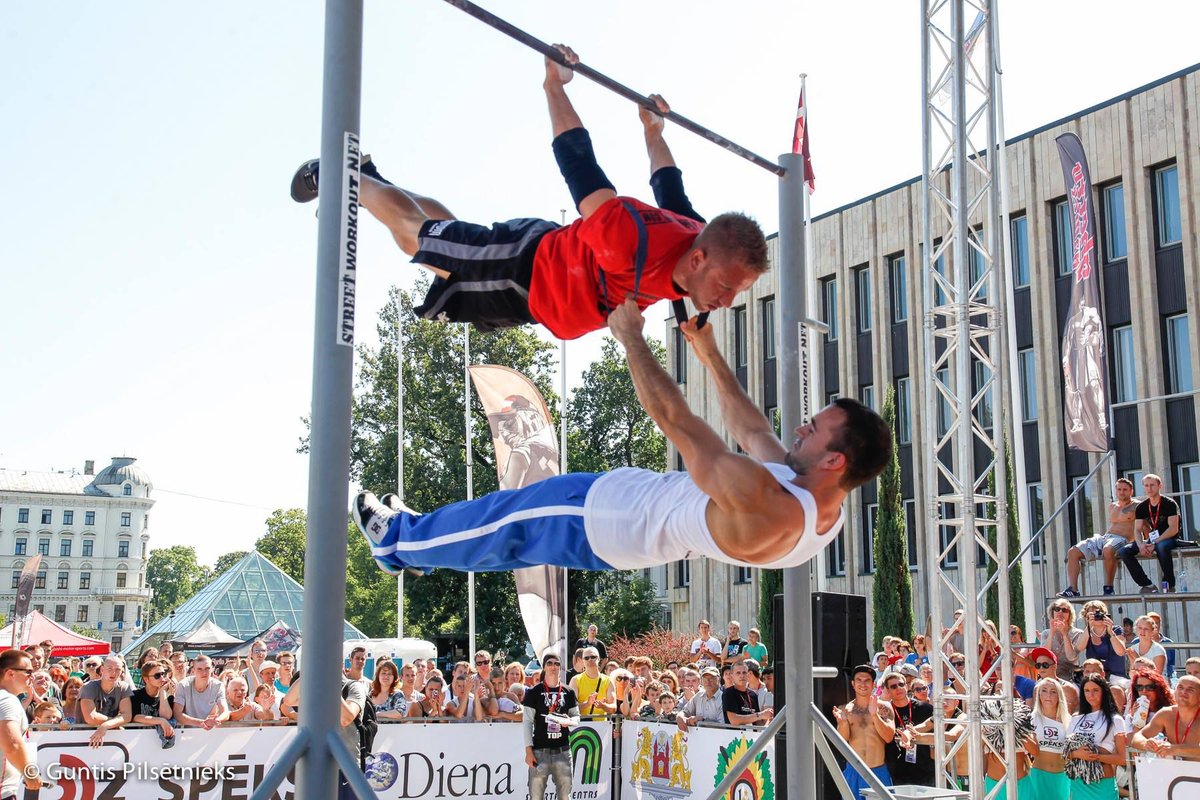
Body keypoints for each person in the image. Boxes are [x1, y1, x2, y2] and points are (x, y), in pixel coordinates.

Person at [354, 302, 891, 577]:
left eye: (814, 428)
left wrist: (629, 335)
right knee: (503, 523)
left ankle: (394, 542)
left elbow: (677, 422)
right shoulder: (823, 502)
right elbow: (753, 430)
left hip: (605, 523)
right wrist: (705, 349)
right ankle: (420, 545)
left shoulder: (769, 506)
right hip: (622, 507)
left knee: (502, 524)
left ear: (835, 459)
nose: (802, 427)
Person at [289, 46, 767, 340]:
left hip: (537, 292)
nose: (725, 301)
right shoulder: (624, 240)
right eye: (726, 288)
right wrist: (553, 85)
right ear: (702, 260)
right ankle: (340, 174)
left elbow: (668, 183)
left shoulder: (694, 231)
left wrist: (652, 131)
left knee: (445, 238)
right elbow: (578, 162)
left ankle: (373, 180)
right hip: (529, 272)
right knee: (423, 242)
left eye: (735, 293)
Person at [1059, 478, 1137, 597]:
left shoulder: (1137, 506)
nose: (1121, 492)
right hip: (1106, 536)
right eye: (1119, 489)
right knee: (1073, 552)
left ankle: (1109, 587)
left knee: (1108, 549)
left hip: (1122, 538)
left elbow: (1145, 525)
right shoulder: (1112, 506)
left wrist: (1146, 542)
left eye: (1125, 490)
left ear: (1131, 491)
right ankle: (1073, 589)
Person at [833, 665, 895, 800]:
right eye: (859, 680)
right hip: (854, 771)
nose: (863, 684)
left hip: (877, 771)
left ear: (873, 684)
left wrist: (875, 716)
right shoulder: (845, 709)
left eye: (867, 680)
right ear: (853, 684)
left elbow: (889, 737)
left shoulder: (884, 707)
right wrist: (843, 723)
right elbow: (842, 742)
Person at [522, 653, 579, 800]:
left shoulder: (569, 692)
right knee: (536, 796)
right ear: (544, 667)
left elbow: (576, 717)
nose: (553, 667)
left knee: (565, 796)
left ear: (560, 667)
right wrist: (528, 751)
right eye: (550, 663)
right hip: (540, 751)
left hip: (563, 751)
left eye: (557, 664)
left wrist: (569, 721)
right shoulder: (533, 692)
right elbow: (527, 722)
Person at [1119, 473, 1182, 593]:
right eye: (1146, 486)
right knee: (1124, 551)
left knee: (1161, 546)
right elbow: (1137, 529)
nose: (1149, 488)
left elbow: (1173, 528)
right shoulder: (1142, 507)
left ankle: (1169, 584)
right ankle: (1147, 584)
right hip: (1153, 539)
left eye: (1152, 485)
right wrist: (1141, 544)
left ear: (1159, 486)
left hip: (1170, 538)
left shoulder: (1169, 503)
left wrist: (1154, 542)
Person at [1066, 675, 1126, 800]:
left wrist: (1096, 757)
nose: (1091, 695)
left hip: (1103, 784)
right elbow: (1064, 753)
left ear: (1104, 691)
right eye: (1086, 691)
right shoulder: (1075, 718)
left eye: (1095, 690)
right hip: (1078, 784)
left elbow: (1122, 759)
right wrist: (1077, 754)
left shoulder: (1116, 719)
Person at [0, 649, 44, 798]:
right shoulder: (7, 700)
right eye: (28, 672)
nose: (32, 677)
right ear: (10, 674)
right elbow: (12, 744)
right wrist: (29, 773)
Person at [1130, 675, 1200, 759]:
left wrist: (1174, 749)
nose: (1183, 692)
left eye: (1190, 689)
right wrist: (1146, 743)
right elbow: (1136, 738)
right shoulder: (1165, 714)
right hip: (1172, 770)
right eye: (1180, 687)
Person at [882, 671, 933, 786]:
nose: (898, 688)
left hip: (925, 769)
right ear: (888, 690)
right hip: (898, 771)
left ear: (907, 686)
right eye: (893, 686)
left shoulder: (925, 708)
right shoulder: (884, 711)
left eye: (901, 684)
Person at [1028, 678, 1071, 796]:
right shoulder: (1031, 719)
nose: (1048, 695)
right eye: (1044, 690)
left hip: (1062, 777)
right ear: (1039, 694)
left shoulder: (1068, 720)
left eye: (1053, 691)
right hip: (1038, 775)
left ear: (1059, 695)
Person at [79, 656, 133, 747]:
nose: (114, 673)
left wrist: (106, 725)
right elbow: (90, 717)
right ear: (102, 670)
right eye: (110, 669)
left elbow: (127, 715)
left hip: (111, 735)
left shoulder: (124, 687)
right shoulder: (88, 687)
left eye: (118, 669)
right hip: (83, 736)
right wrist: (114, 723)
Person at [173, 654, 229, 729]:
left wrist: (216, 721)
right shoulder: (183, 685)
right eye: (199, 669)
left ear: (212, 669)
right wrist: (201, 723)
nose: (204, 672)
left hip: (209, 731)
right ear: (193, 671)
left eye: (207, 668)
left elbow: (225, 712)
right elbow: (177, 714)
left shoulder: (218, 685)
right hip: (186, 733)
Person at [130, 662, 176, 749]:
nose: (162, 678)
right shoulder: (135, 695)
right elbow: (136, 717)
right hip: (136, 744)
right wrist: (160, 721)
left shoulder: (167, 697)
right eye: (157, 675)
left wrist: (162, 692)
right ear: (146, 679)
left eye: (163, 674)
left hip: (159, 746)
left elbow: (166, 716)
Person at [1039, 599, 1086, 682]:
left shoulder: (1078, 633)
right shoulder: (1046, 633)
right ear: (1052, 613)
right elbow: (1044, 656)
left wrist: (1065, 634)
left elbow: (1071, 658)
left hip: (1070, 677)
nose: (1060, 612)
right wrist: (1052, 633)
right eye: (1057, 609)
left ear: (1070, 614)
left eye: (1064, 610)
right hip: (1048, 676)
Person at [1028, 647, 1080, 713]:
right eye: (1038, 665)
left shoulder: (1067, 688)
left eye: (1045, 665)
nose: (1041, 668)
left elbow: (1067, 717)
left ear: (1054, 666)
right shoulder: (1037, 687)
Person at [568, 646, 614, 720]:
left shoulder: (608, 680)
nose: (590, 660)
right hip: (581, 727)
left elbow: (613, 708)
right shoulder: (575, 680)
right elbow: (571, 710)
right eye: (586, 658)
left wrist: (603, 706)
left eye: (593, 657)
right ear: (583, 661)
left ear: (598, 659)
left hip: (602, 727)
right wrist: (587, 704)